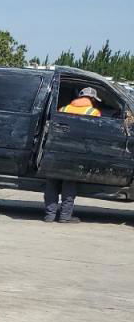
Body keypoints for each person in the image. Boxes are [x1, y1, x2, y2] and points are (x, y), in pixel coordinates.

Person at [43, 86, 102, 223]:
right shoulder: (93, 112)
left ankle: (49, 216)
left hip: (56, 150)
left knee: (52, 183)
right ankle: (64, 216)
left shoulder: (63, 109)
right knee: (69, 185)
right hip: (76, 153)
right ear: (92, 99)